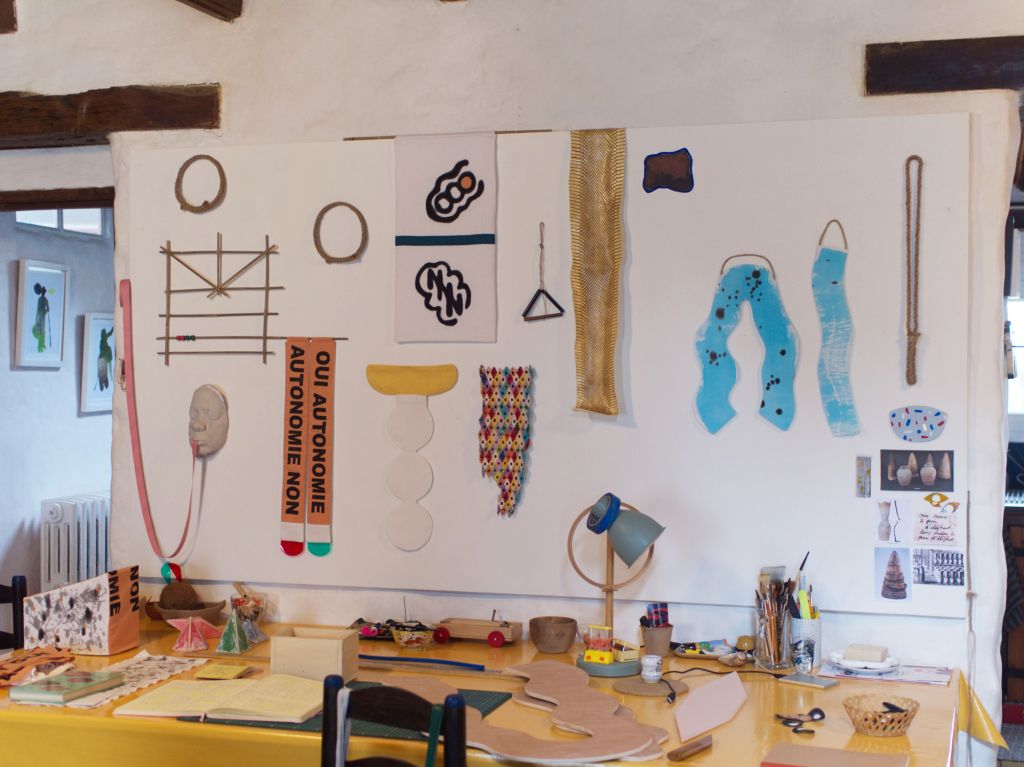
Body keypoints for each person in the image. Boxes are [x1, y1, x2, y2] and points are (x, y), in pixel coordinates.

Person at [31, 282, 49, 353]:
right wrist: (36, 318)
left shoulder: (45, 299)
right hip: (40, 316)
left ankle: (42, 343)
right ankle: (39, 345)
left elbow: (48, 309)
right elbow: (37, 309)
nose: (43, 293)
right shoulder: (40, 299)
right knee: (40, 330)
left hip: (42, 317)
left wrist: (45, 312)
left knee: (43, 330)